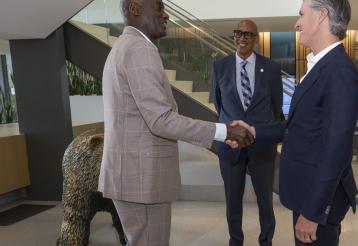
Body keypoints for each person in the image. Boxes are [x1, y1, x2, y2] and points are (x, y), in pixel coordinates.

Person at [98, 0, 253, 245]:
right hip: (142, 179)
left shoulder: (124, 46)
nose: (166, 15)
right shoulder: (138, 49)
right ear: (135, 8)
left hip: (132, 176)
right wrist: (224, 131)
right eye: (159, 8)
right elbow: (160, 120)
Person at [229, 0, 358, 245]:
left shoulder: (340, 72)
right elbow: (297, 125)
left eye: (301, 15)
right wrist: (254, 131)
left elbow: (337, 152)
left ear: (322, 15)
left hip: (317, 201)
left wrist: (313, 211)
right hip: (306, 192)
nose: (297, 23)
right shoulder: (321, 66)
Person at [211, 20, 284, 246]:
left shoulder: (271, 68)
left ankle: (266, 241)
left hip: (261, 148)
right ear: (234, 36)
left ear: (256, 39)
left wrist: (260, 131)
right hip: (230, 146)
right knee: (233, 200)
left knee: (265, 201)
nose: (242, 38)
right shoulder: (219, 66)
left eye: (248, 34)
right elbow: (218, 103)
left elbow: (276, 106)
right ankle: (235, 241)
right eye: (238, 33)